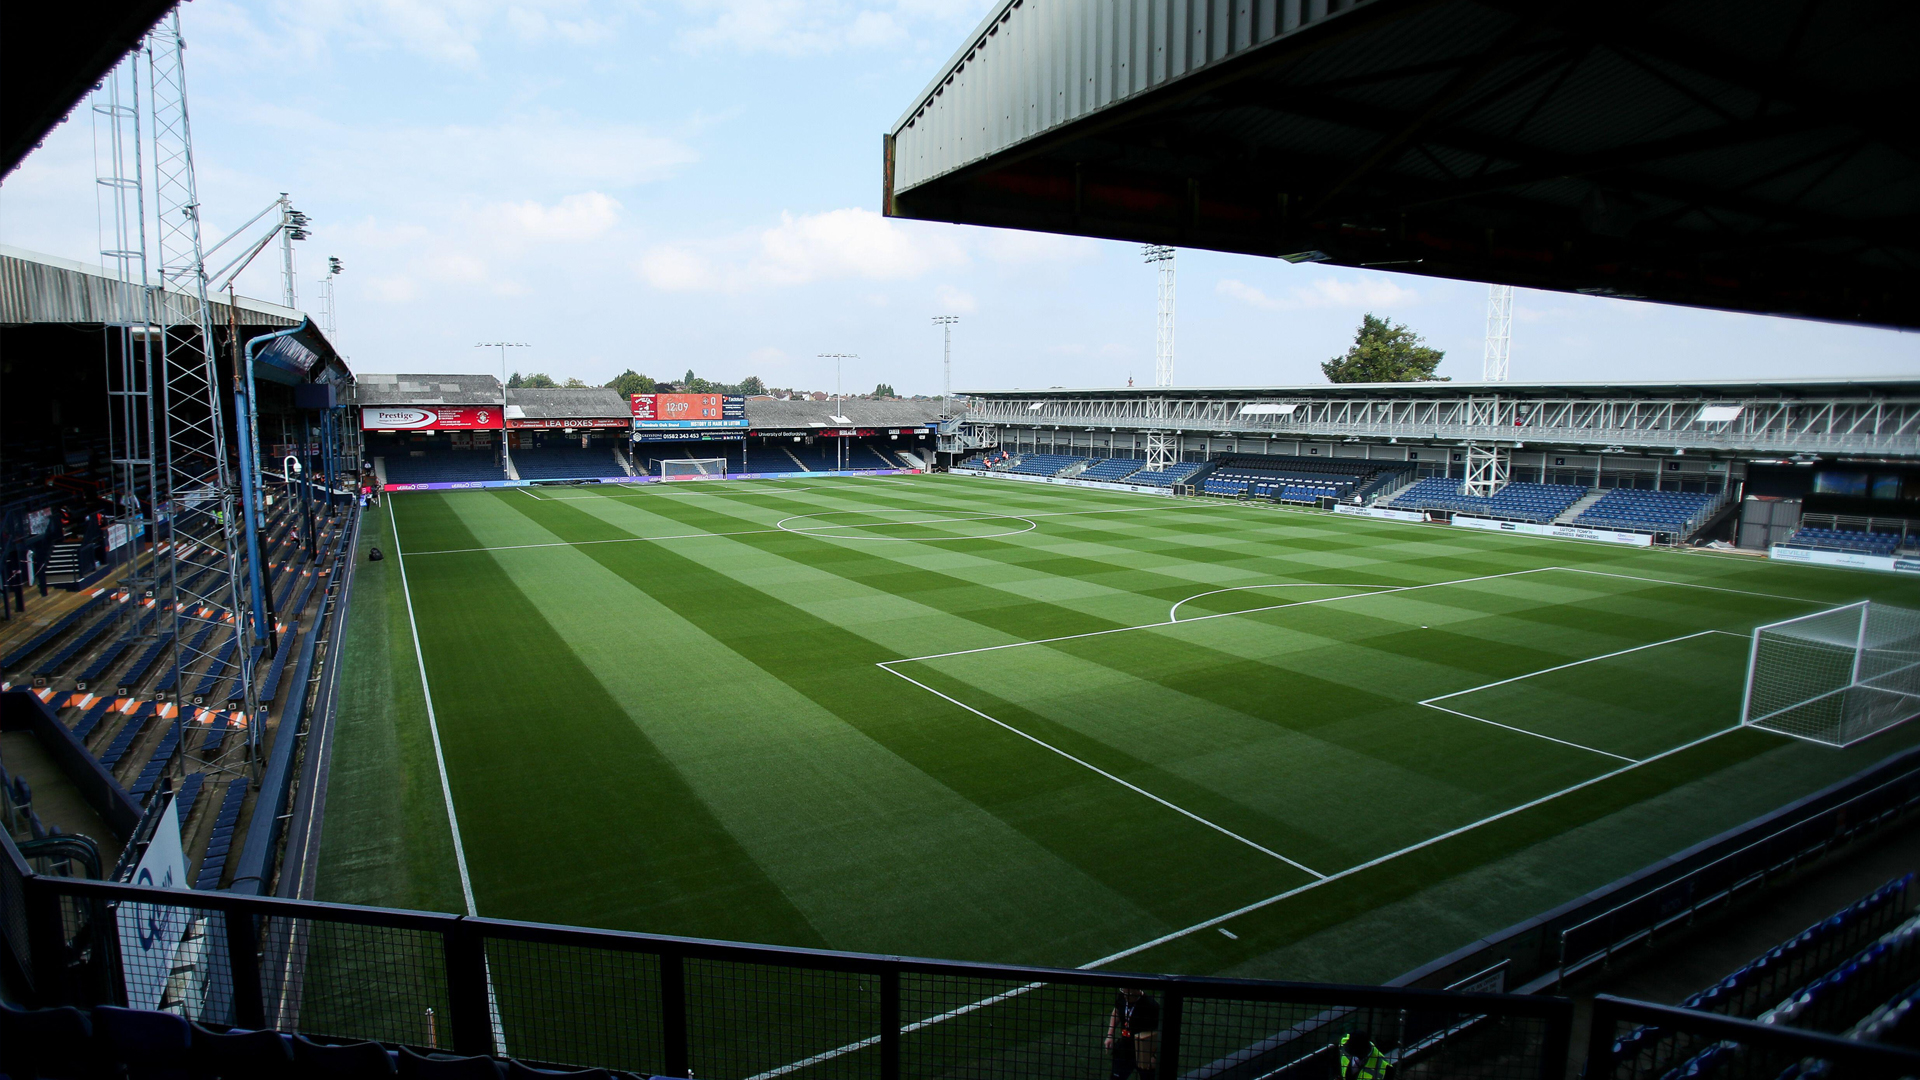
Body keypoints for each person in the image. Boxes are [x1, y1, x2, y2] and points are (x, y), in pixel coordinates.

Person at [1105, 986, 1159, 1080]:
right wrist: (1110, 1035)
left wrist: (1155, 1056)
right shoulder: (1122, 997)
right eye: (1124, 993)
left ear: (1137, 991)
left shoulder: (1151, 1006)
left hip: (1144, 1052)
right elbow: (1117, 1012)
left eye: (1129, 995)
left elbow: (1158, 1032)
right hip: (1125, 1048)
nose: (1126, 997)